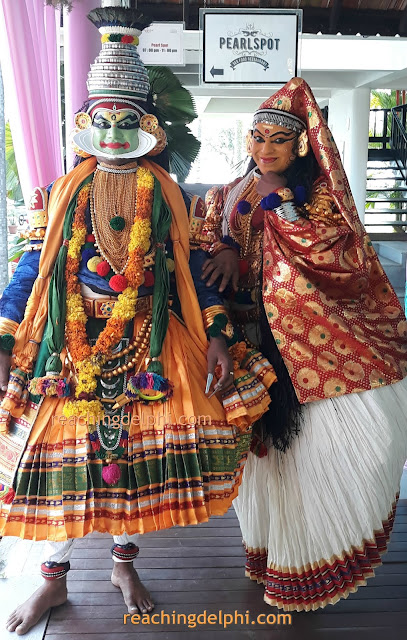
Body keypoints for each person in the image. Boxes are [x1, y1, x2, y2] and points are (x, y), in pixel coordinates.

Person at [0, 6, 275, 635]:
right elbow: (29, 273)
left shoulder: (167, 192)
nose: (117, 132)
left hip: (152, 347)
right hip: (68, 349)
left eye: (129, 121)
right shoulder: (62, 192)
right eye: (105, 120)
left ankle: (124, 567)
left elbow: (195, 270)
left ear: (148, 126)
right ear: (86, 125)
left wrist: (217, 337)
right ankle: (53, 582)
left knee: (133, 464)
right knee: (63, 464)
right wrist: (5, 332)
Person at [200, 76, 407, 612]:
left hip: (299, 345)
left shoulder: (318, 196)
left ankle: (307, 561)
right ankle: (267, 549)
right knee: (259, 459)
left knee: (310, 452)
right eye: (257, 137)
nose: (264, 148)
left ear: (300, 147)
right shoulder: (225, 192)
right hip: (239, 339)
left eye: (277, 140)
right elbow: (205, 239)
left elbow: (340, 260)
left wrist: (284, 210)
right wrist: (221, 246)